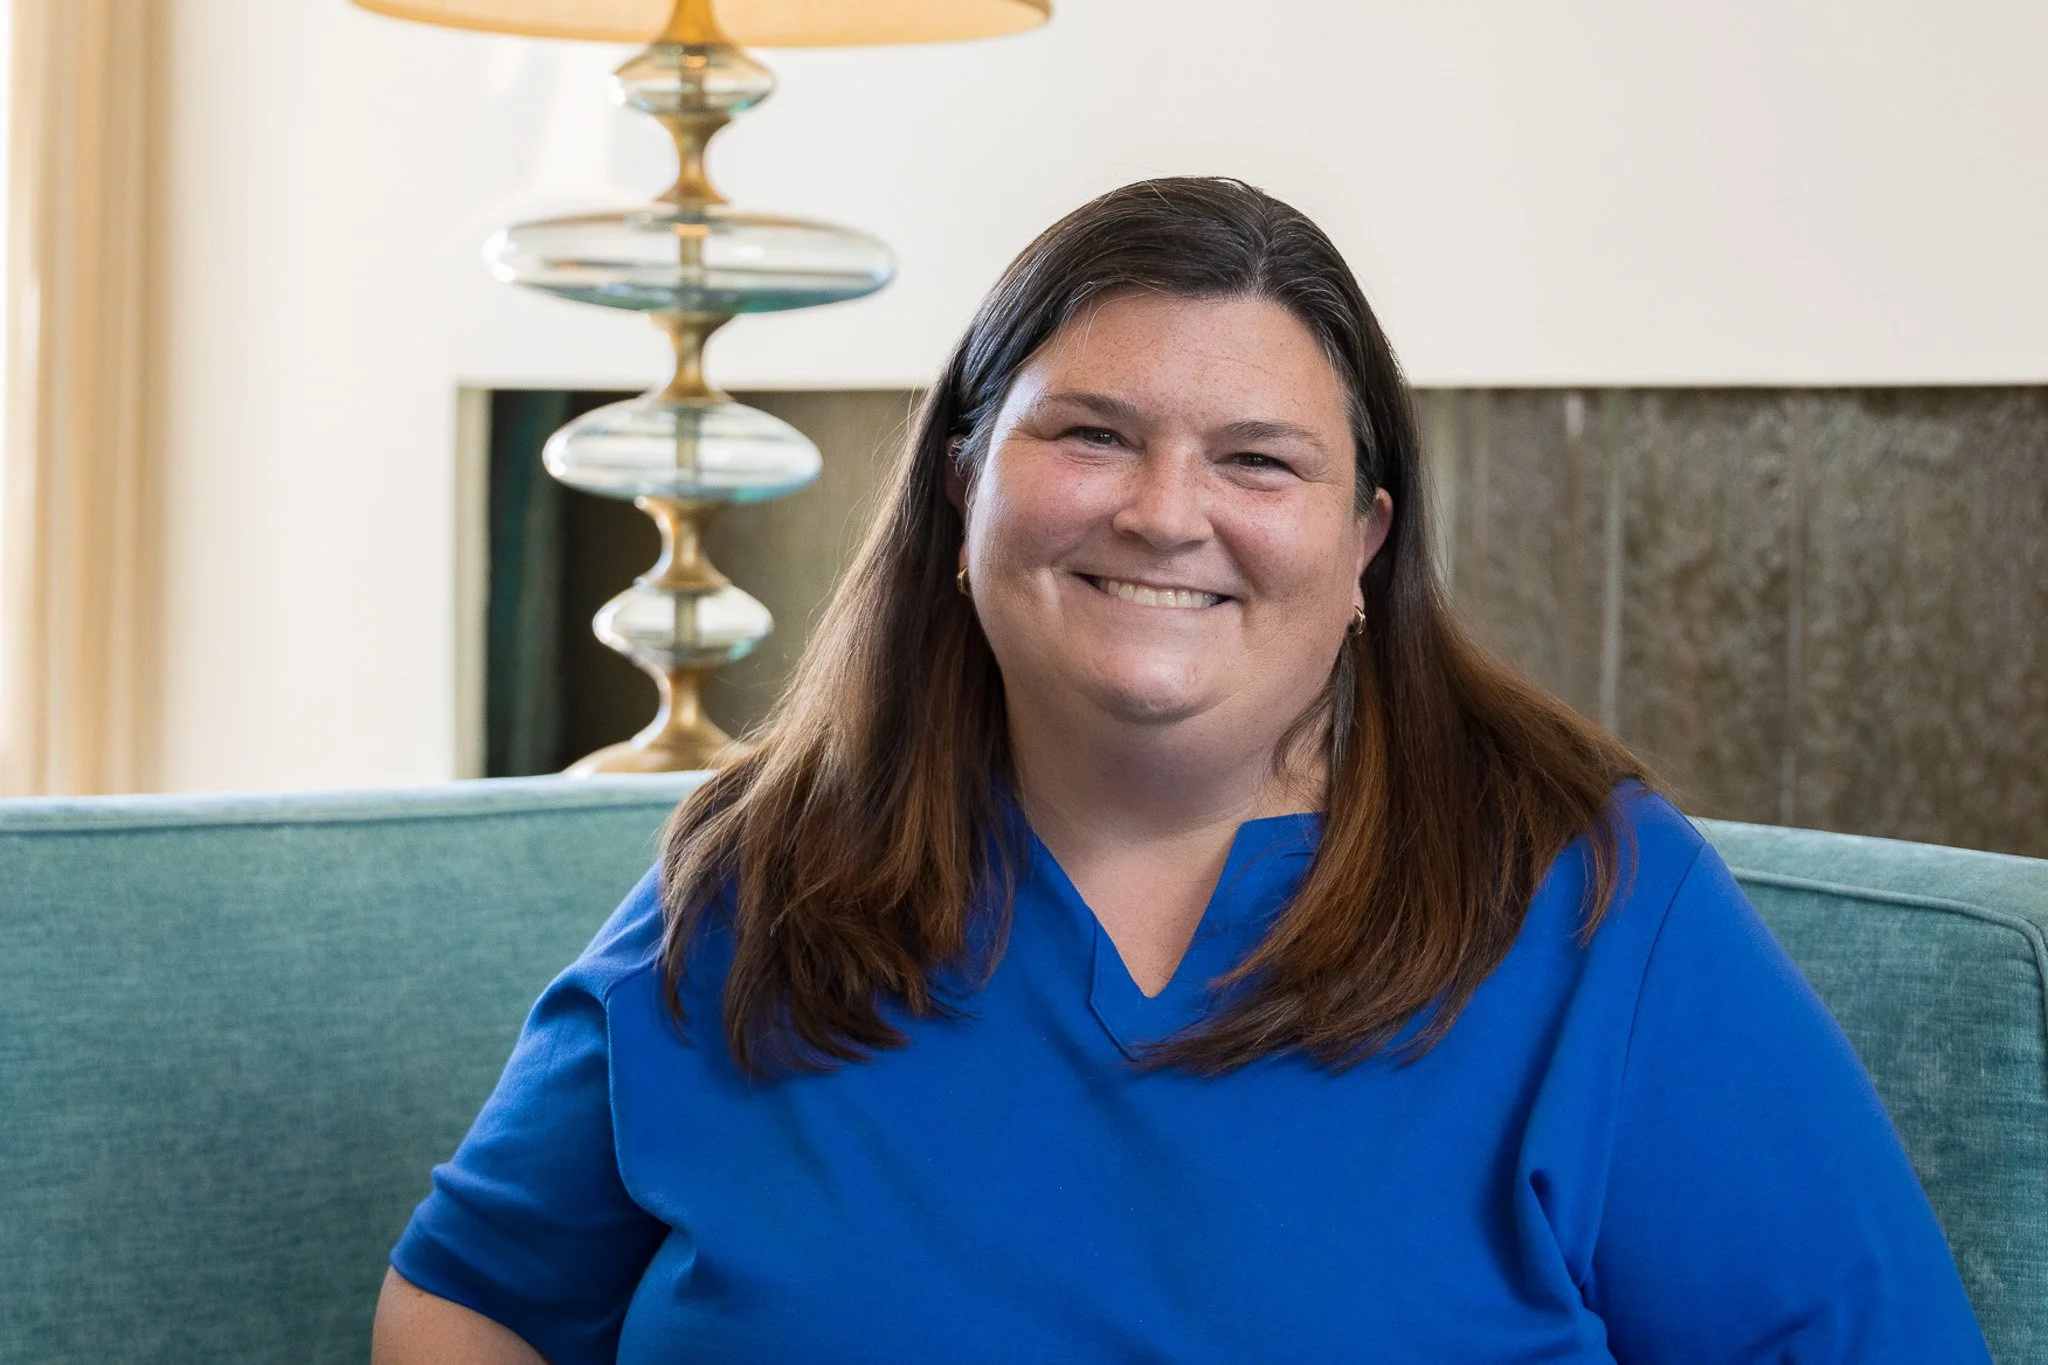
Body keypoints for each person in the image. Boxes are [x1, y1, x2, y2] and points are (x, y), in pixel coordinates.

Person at [372, 178, 1989, 1363]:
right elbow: (470, 1301)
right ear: (963, 487)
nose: (1161, 513)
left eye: (1257, 461)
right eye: (1090, 435)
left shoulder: (1590, 906)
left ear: (1364, 545)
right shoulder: (759, 878)